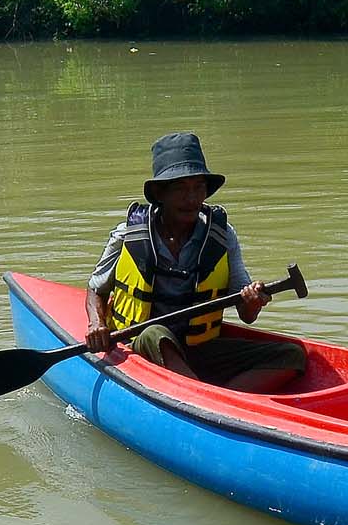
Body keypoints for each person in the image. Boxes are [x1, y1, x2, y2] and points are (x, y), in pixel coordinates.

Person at [84, 132, 309, 393]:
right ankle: (203, 397)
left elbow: (247, 316)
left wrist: (253, 300)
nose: (192, 199)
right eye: (180, 189)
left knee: (293, 355)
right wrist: (96, 324)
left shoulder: (223, 236)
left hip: (198, 348)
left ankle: (218, 400)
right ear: (160, 193)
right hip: (144, 346)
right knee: (155, 333)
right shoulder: (127, 234)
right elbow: (96, 289)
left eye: (198, 187)